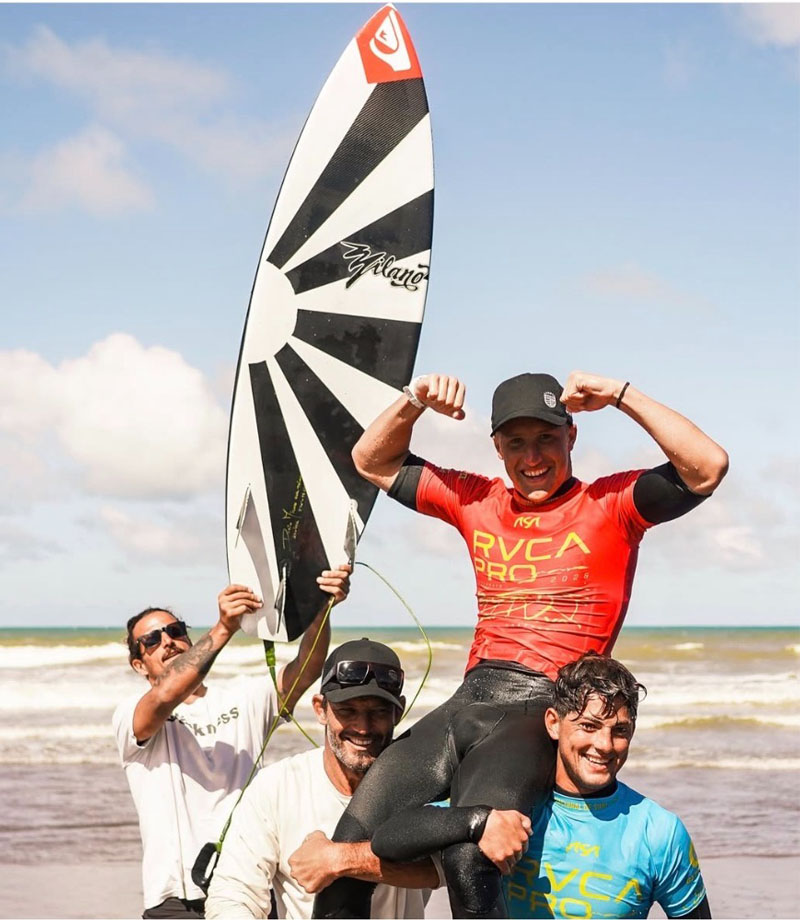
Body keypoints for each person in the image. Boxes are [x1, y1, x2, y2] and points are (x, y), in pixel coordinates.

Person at [313, 371, 727, 919]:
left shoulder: (611, 505)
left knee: (470, 858)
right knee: (345, 854)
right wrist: (414, 400)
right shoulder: (476, 500)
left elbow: (707, 467)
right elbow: (372, 461)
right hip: (469, 698)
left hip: (541, 704)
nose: (532, 457)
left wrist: (622, 396)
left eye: (546, 439)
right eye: (516, 443)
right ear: (497, 448)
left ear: (571, 437)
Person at [371, 652, 711, 919]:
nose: (605, 745)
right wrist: (476, 821)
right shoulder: (511, 804)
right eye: (589, 726)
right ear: (553, 723)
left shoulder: (659, 832)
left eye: (619, 731)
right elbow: (387, 839)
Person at [113, 567, 351, 919]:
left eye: (175, 631)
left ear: (189, 641)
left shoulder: (244, 696)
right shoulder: (131, 714)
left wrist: (322, 607)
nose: (167, 641)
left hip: (250, 888)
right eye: (152, 640)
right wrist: (225, 627)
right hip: (176, 900)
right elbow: (165, 694)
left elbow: (307, 667)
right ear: (139, 664)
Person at [204, 638, 442, 919]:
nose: (363, 728)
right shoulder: (278, 786)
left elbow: (454, 866)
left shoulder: (426, 785)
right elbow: (234, 893)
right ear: (320, 709)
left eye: (377, 712)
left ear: (398, 712)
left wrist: (338, 859)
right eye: (347, 711)